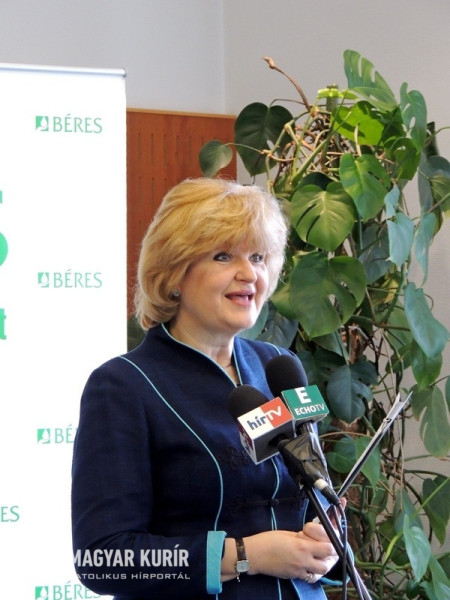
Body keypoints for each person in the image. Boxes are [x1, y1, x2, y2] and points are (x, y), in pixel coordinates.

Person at [71, 177, 343, 600]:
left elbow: (314, 496)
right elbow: (103, 559)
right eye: (223, 256)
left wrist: (326, 541)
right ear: (174, 272)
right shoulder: (123, 386)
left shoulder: (278, 365)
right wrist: (245, 555)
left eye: (258, 257)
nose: (249, 273)